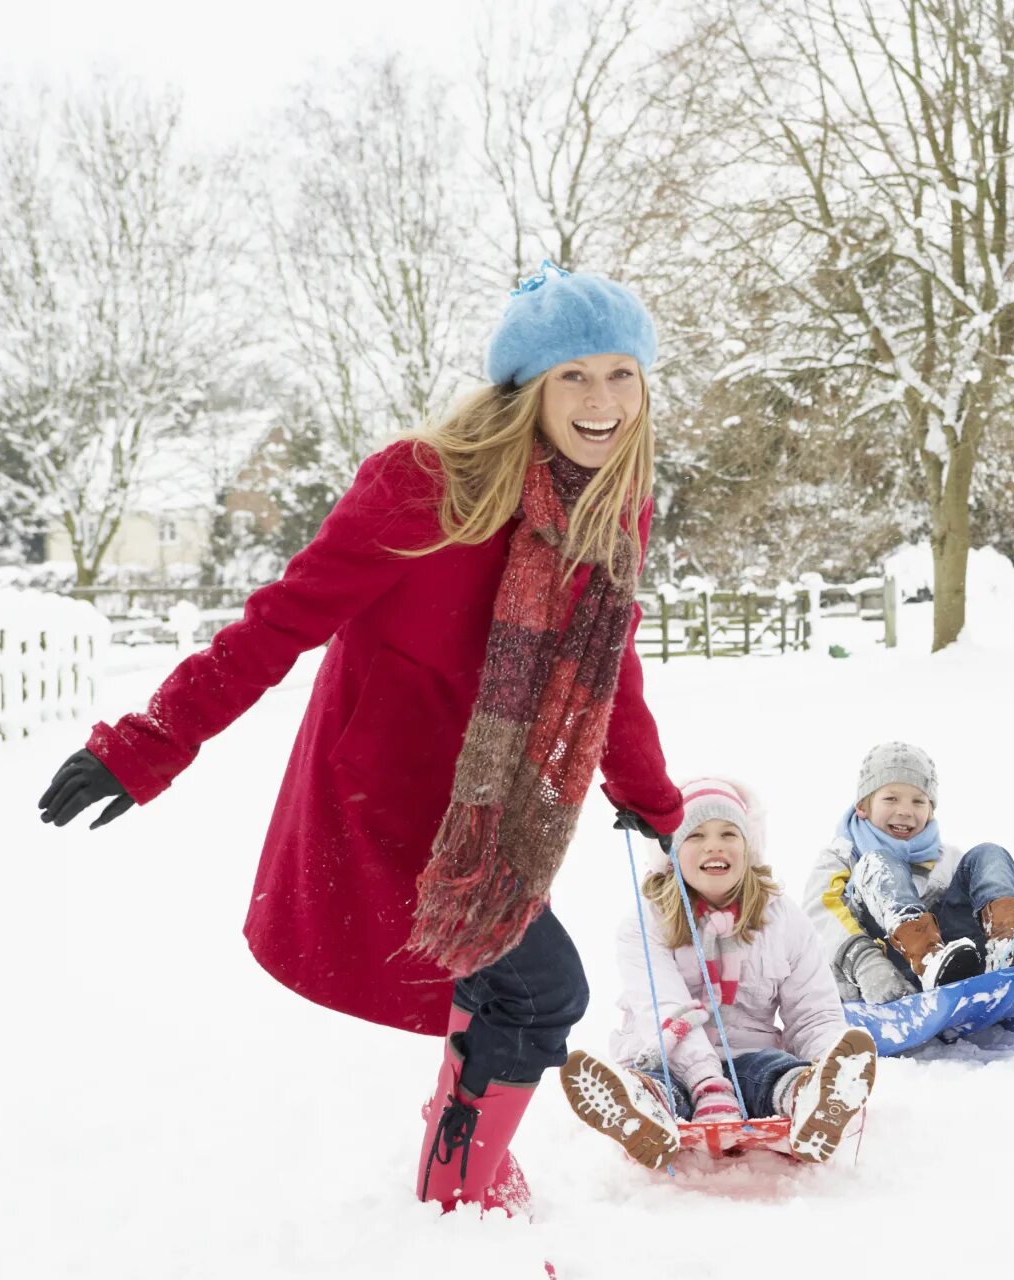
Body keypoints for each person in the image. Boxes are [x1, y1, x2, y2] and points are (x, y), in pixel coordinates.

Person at [35, 261, 684, 1210]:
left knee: (516, 991)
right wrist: (144, 744)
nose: (601, 401)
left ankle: (460, 1148)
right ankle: (458, 1183)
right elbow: (281, 621)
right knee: (543, 989)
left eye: (620, 373)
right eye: (572, 376)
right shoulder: (424, 487)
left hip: (488, 805)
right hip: (386, 793)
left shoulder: (607, 508)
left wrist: (651, 794)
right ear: (526, 387)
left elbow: (605, 670)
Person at [561, 778, 877, 1166]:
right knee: (663, 1084)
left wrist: (829, 1058)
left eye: (729, 833)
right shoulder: (646, 924)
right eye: (695, 835)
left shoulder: (782, 919)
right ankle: (641, 1108)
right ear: (672, 852)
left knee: (773, 1072)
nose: (715, 844)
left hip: (748, 1055)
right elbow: (665, 1008)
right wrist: (706, 1082)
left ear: (748, 847)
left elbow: (813, 1010)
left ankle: (814, 1096)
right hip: (670, 1056)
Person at [805, 741, 1014, 1003]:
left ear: (931, 810)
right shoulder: (842, 856)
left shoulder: (945, 858)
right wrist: (865, 963)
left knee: (988, 854)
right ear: (862, 806)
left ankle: (1013, 942)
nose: (905, 811)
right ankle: (927, 959)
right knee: (878, 863)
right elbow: (820, 918)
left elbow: (983, 890)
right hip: (884, 968)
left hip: (954, 962)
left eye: (918, 801)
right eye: (891, 798)